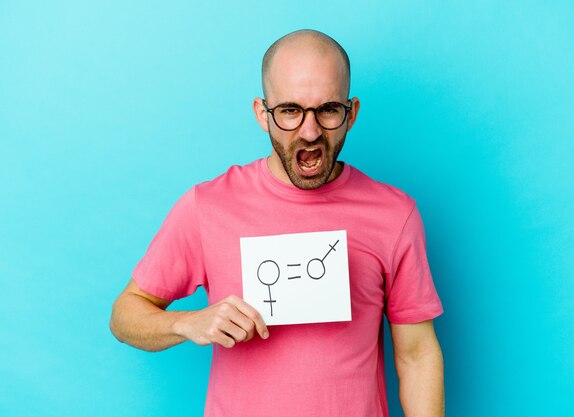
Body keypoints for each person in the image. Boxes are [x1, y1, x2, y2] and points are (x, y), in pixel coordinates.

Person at [110, 29, 445, 417]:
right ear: (261, 113)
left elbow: (418, 354)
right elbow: (125, 314)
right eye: (289, 110)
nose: (310, 131)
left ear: (351, 113)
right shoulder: (208, 206)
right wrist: (188, 323)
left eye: (328, 109)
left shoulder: (394, 214)